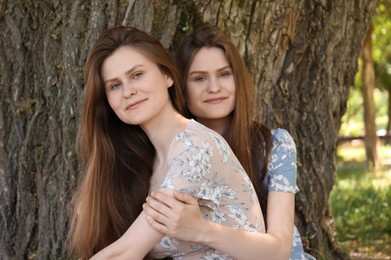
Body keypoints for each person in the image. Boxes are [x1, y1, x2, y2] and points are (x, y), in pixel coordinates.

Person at [68, 25, 266, 260]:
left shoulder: (195, 148)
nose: (128, 91)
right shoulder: (146, 161)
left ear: (168, 76)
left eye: (137, 75)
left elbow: (129, 251)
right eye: (115, 85)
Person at [143, 25, 316, 259]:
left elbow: (281, 248)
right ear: (181, 87)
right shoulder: (169, 153)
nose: (214, 88)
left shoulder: (275, 145)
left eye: (224, 74)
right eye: (199, 78)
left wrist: (201, 230)